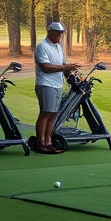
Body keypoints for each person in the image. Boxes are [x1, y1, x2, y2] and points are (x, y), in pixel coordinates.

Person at [33, 22, 80, 154]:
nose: (59, 36)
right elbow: (46, 67)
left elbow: (62, 63)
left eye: (61, 33)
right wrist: (66, 67)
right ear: (49, 32)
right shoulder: (42, 47)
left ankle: (49, 141)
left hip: (57, 84)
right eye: (57, 33)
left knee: (53, 113)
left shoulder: (58, 47)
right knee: (45, 112)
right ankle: (40, 142)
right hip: (46, 83)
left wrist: (70, 69)